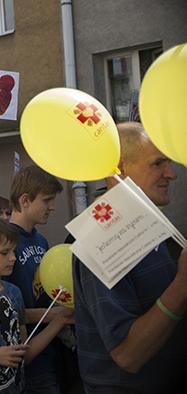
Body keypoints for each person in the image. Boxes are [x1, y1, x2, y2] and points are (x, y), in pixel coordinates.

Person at [73, 122, 186, 392]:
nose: (171, 174)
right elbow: (128, 355)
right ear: (120, 169)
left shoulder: (150, 229)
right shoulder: (100, 239)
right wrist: (182, 286)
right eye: (158, 163)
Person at [0, 215, 74, 394]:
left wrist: (59, 321)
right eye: (4, 253)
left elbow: (24, 354)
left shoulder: (14, 293)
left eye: (13, 251)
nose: (13, 258)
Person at [5, 164, 67, 393]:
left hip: (50, 353)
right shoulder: (3, 243)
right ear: (25, 200)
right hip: (25, 363)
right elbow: (6, 309)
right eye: (47, 200)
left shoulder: (41, 241)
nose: (52, 207)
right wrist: (57, 316)